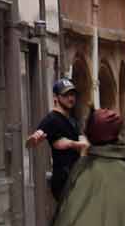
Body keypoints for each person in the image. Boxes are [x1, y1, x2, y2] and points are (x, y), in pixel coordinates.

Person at [25, 76, 87, 207]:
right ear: (56, 97)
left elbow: (82, 142)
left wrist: (73, 143)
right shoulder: (51, 119)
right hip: (63, 180)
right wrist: (34, 139)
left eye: (72, 95)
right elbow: (31, 141)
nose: (71, 98)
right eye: (66, 95)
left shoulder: (72, 119)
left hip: (75, 176)